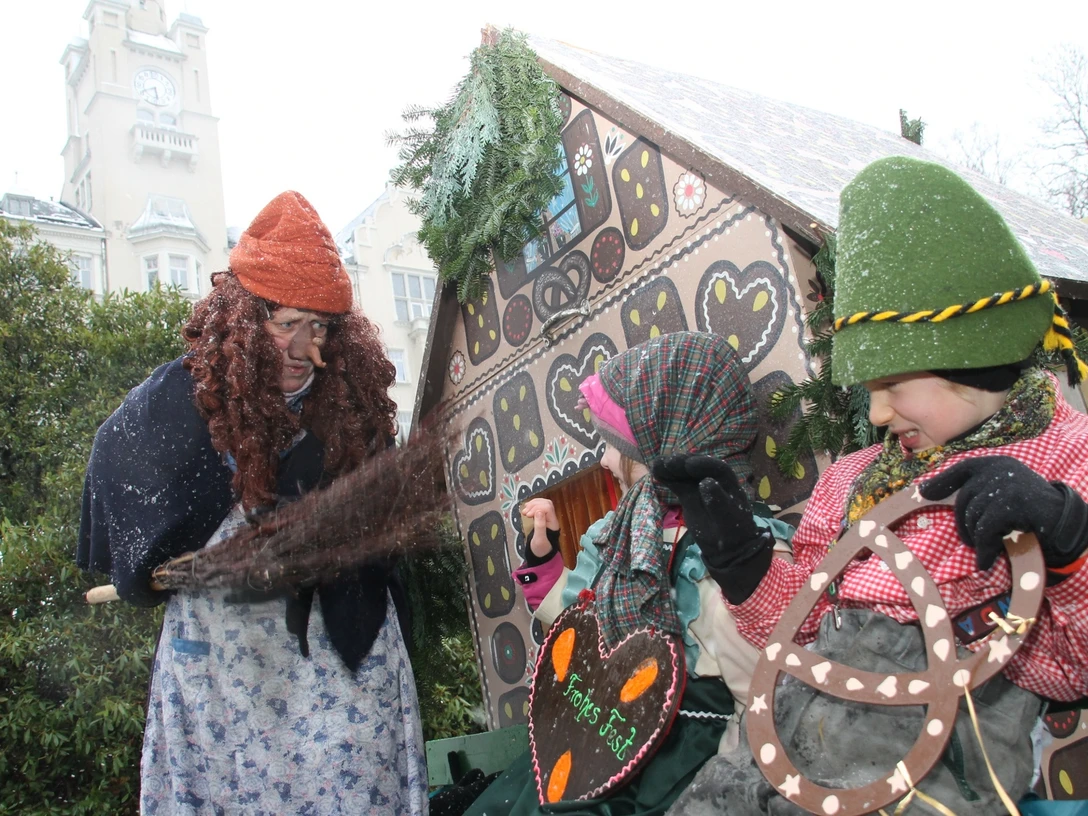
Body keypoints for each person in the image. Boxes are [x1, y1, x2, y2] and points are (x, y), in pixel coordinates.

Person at [659, 157, 1088, 815]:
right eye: (869, 394)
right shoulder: (854, 479)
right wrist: (742, 563)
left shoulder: (1068, 462)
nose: (880, 416)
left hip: (930, 767)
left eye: (891, 387)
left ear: (967, 356)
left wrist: (1069, 546)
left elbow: (1069, 669)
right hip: (783, 740)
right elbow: (802, 635)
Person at [76, 191, 428, 814]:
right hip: (224, 668)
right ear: (242, 319)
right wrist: (148, 566)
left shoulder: (350, 406)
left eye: (318, 326)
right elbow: (115, 457)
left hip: (337, 662)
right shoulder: (182, 399)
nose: (302, 346)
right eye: (284, 322)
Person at [465, 331, 793, 816]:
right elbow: (571, 631)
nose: (603, 459)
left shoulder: (733, 557)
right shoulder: (622, 528)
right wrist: (545, 559)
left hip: (663, 779)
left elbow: (764, 709)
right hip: (591, 744)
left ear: (672, 438)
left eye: (619, 446)